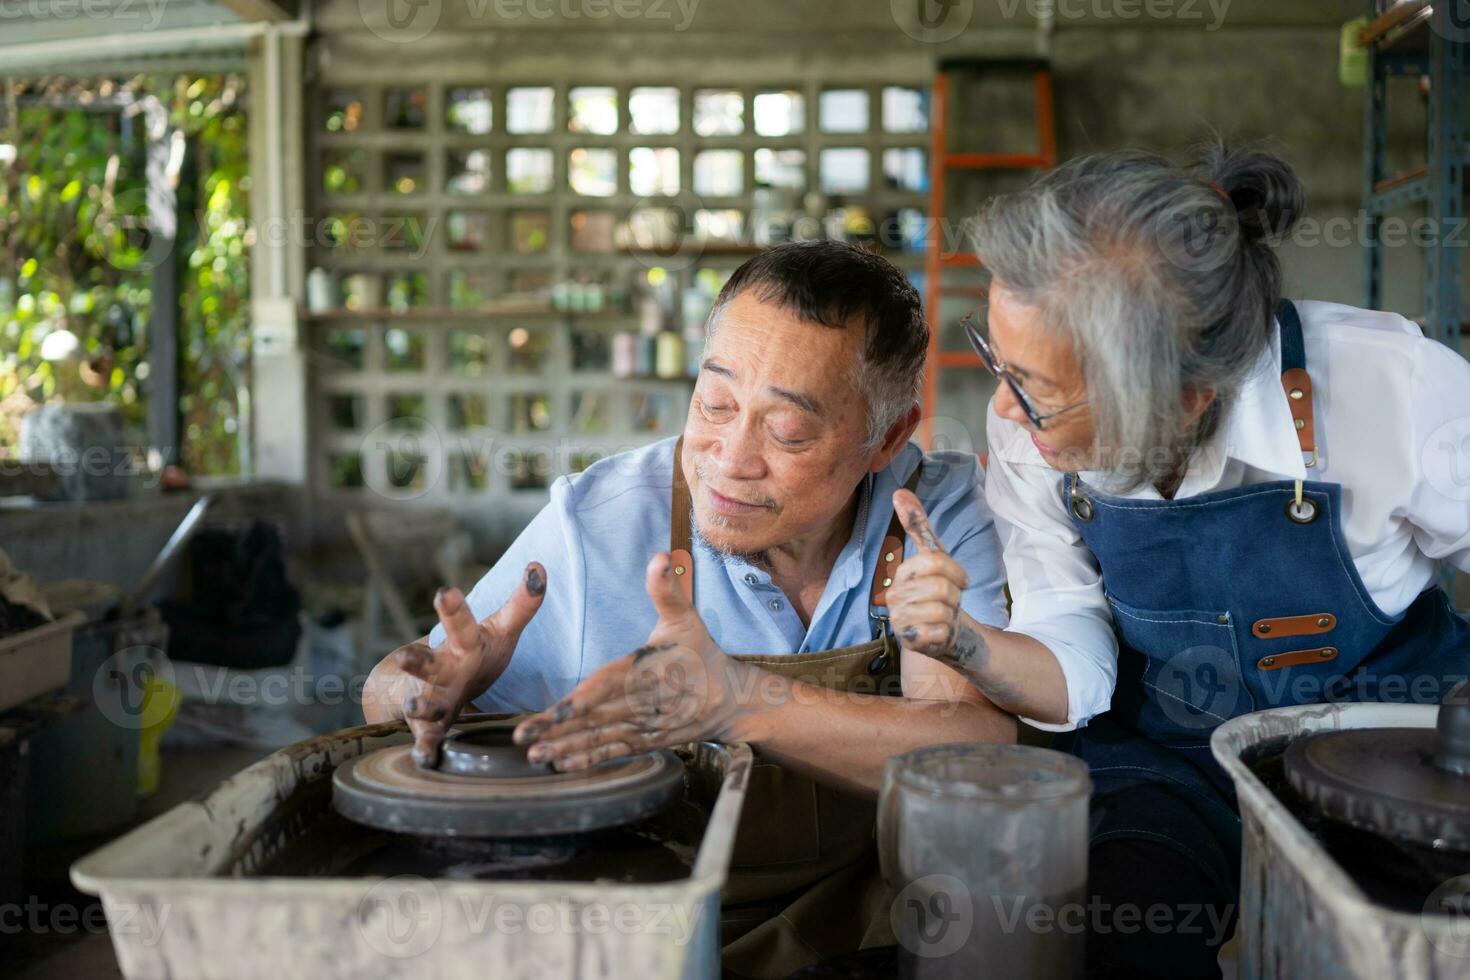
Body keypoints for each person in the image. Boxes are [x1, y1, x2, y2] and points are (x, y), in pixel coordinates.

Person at [837, 143, 1470, 978]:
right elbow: (1073, 647)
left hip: (1390, 740)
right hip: (1171, 757)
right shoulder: (1031, 438)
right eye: (1000, 361)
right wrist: (968, 645)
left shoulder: (1394, 389)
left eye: (1034, 386)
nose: (1000, 407)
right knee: (1110, 939)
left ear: (1182, 397)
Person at [363, 240, 1015, 977]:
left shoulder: (929, 511)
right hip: (648, 935)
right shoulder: (594, 525)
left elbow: (976, 755)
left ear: (886, 438)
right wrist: (420, 690)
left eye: (788, 431)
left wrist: (739, 702)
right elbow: (390, 696)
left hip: (873, 930)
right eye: (716, 403)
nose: (729, 458)